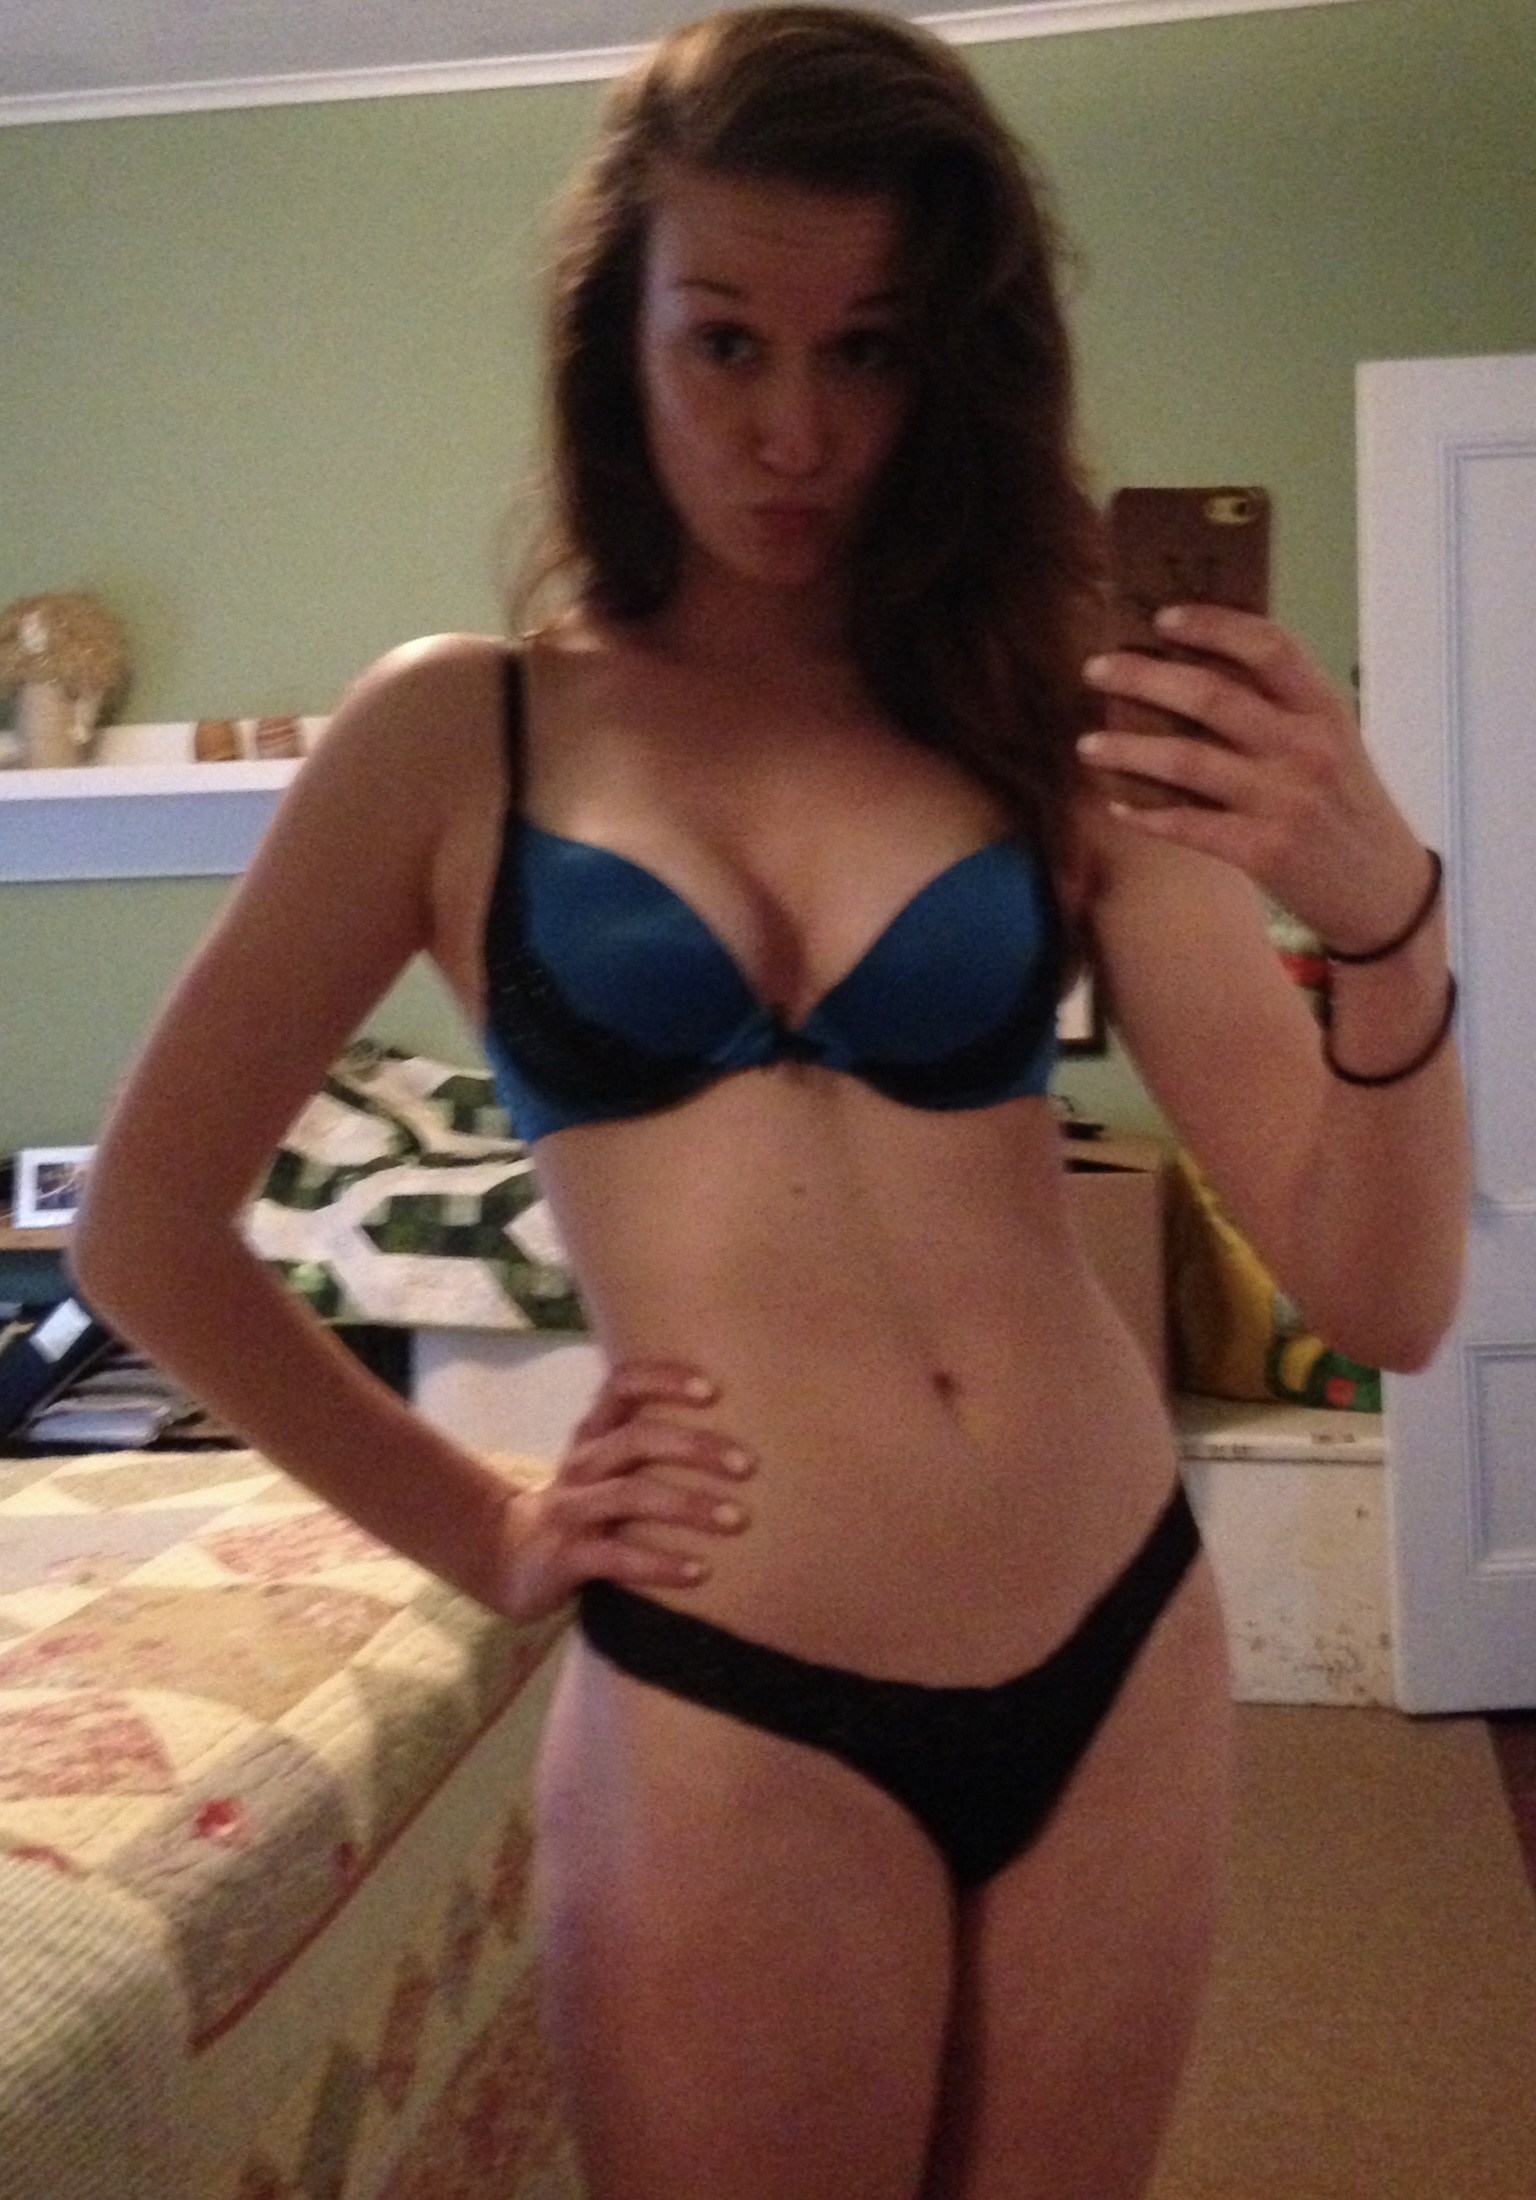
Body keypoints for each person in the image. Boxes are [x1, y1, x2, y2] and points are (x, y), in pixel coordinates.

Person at [73, 9, 1470, 2196]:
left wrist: (1382, 912)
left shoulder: (1050, 710)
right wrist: (483, 1526)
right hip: (736, 1680)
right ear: (617, 332)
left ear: (955, 365)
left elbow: (1383, 1294)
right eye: (725, 339)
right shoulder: (457, 735)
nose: (795, 428)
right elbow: (142, 1231)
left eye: (871, 349)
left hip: (1115, 1631)